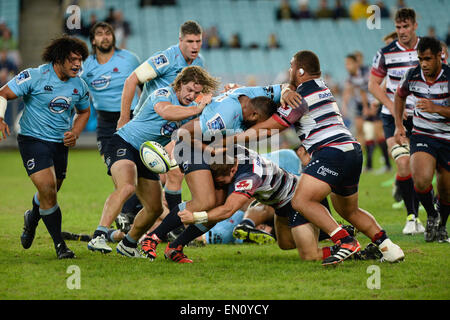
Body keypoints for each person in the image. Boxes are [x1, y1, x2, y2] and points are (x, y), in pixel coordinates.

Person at [226, 50, 405, 266]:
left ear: (300, 70)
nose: (289, 70)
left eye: (292, 66)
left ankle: (345, 241)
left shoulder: (300, 97)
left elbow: (271, 127)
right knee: (349, 210)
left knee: (301, 200)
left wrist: (232, 139)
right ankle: (389, 248)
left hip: (331, 152)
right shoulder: (322, 87)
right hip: (352, 151)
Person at [139, 85, 286, 263]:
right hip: (190, 148)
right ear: (254, 115)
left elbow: (284, 87)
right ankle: (152, 238)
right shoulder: (225, 117)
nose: (259, 129)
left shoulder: (251, 103)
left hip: (209, 154)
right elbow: (182, 133)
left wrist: (287, 91)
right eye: (260, 123)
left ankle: (175, 247)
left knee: (217, 207)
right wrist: (208, 149)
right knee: (204, 202)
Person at [87, 65, 219, 256]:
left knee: (155, 208)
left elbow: (196, 128)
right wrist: (197, 107)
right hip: (123, 143)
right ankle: (99, 235)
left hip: (146, 155)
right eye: (189, 90)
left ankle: (128, 244)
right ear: (179, 84)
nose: (191, 95)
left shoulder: (190, 108)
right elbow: (166, 112)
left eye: (196, 92)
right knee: (127, 187)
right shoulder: (164, 93)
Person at [179, 145, 381, 263]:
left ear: (232, 171)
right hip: (280, 203)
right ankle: (331, 232)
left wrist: (195, 217)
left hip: (297, 199)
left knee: (309, 256)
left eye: (220, 180)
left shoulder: (248, 177)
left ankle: (356, 252)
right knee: (285, 244)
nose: (219, 184)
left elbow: (229, 209)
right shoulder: (235, 153)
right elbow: (218, 149)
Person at [0, 36, 91, 259]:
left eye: (80, 60)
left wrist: (76, 133)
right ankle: (60, 245)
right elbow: (3, 93)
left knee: (50, 191)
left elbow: (84, 111)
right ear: (58, 59)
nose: (78, 64)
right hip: (32, 140)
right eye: (72, 59)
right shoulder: (35, 75)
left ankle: (31, 218)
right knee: (48, 189)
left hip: (59, 143)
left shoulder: (79, 84)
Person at [118, 20, 204, 213]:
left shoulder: (199, 63)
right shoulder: (166, 59)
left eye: (198, 41)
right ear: (180, 40)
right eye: (190, 41)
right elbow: (132, 80)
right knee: (160, 172)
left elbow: (197, 94)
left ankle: (156, 218)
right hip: (148, 123)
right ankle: (136, 215)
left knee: (171, 172)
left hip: (172, 127)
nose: (195, 46)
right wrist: (124, 118)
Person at [79, 21, 142, 235]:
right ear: (93, 40)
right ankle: (129, 215)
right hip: (106, 125)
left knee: (137, 170)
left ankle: (128, 216)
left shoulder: (130, 59)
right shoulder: (85, 66)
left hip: (133, 119)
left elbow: (146, 87)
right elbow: (77, 92)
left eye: (108, 33)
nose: (105, 37)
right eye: (100, 34)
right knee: (118, 171)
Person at [368, 8, 424, 235]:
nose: (401, 31)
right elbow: (373, 85)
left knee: (425, 171)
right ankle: (412, 217)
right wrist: (394, 109)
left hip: (424, 118)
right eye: (398, 27)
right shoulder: (385, 53)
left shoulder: (431, 50)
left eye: (406, 27)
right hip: (392, 117)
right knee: (403, 164)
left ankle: (430, 210)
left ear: (415, 25)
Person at [394, 37, 450, 243]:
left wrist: (436, 108)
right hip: (423, 134)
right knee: (420, 179)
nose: (424, 64)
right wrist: (399, 125)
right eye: (420, 59)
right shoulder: (413, 74)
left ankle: (442, 225)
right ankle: (432, 216)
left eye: (428, 59)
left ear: (439, 57)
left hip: (447, 138)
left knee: (446, 191)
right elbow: (399, 96)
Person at [342, 54, 391, 172]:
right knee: (365, 133)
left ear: (356, 64)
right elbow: (356, 91)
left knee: (379, 133)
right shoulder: (351, 77)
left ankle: (387, 164)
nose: (347, 66)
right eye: (345, 64)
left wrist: (375, 103)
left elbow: (375, 87)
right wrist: (347, 105)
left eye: (348, 63)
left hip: (376, 101)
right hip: (364, 104)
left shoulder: (366, 72)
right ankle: (368, 164)